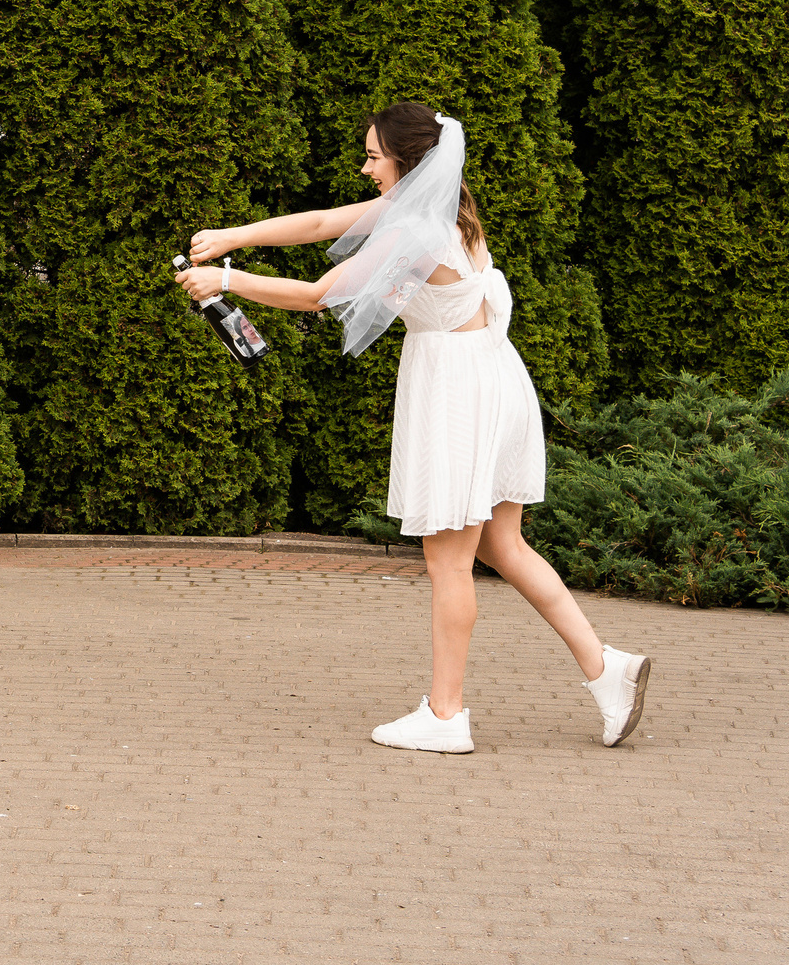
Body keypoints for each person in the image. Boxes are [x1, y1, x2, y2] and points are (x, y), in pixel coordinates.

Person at [181, 103, 651, 754]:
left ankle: (446, 712)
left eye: (375, 155)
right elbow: (321, 222)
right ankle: (607, 671)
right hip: (494, 374)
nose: (366, 166)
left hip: (460, 389)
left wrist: (226, 277)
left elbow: (322, 292)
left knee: (449, 559)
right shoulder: (441, 205)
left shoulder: (415, 229)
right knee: (503, 547)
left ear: (406, 160)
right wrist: (235, 234)